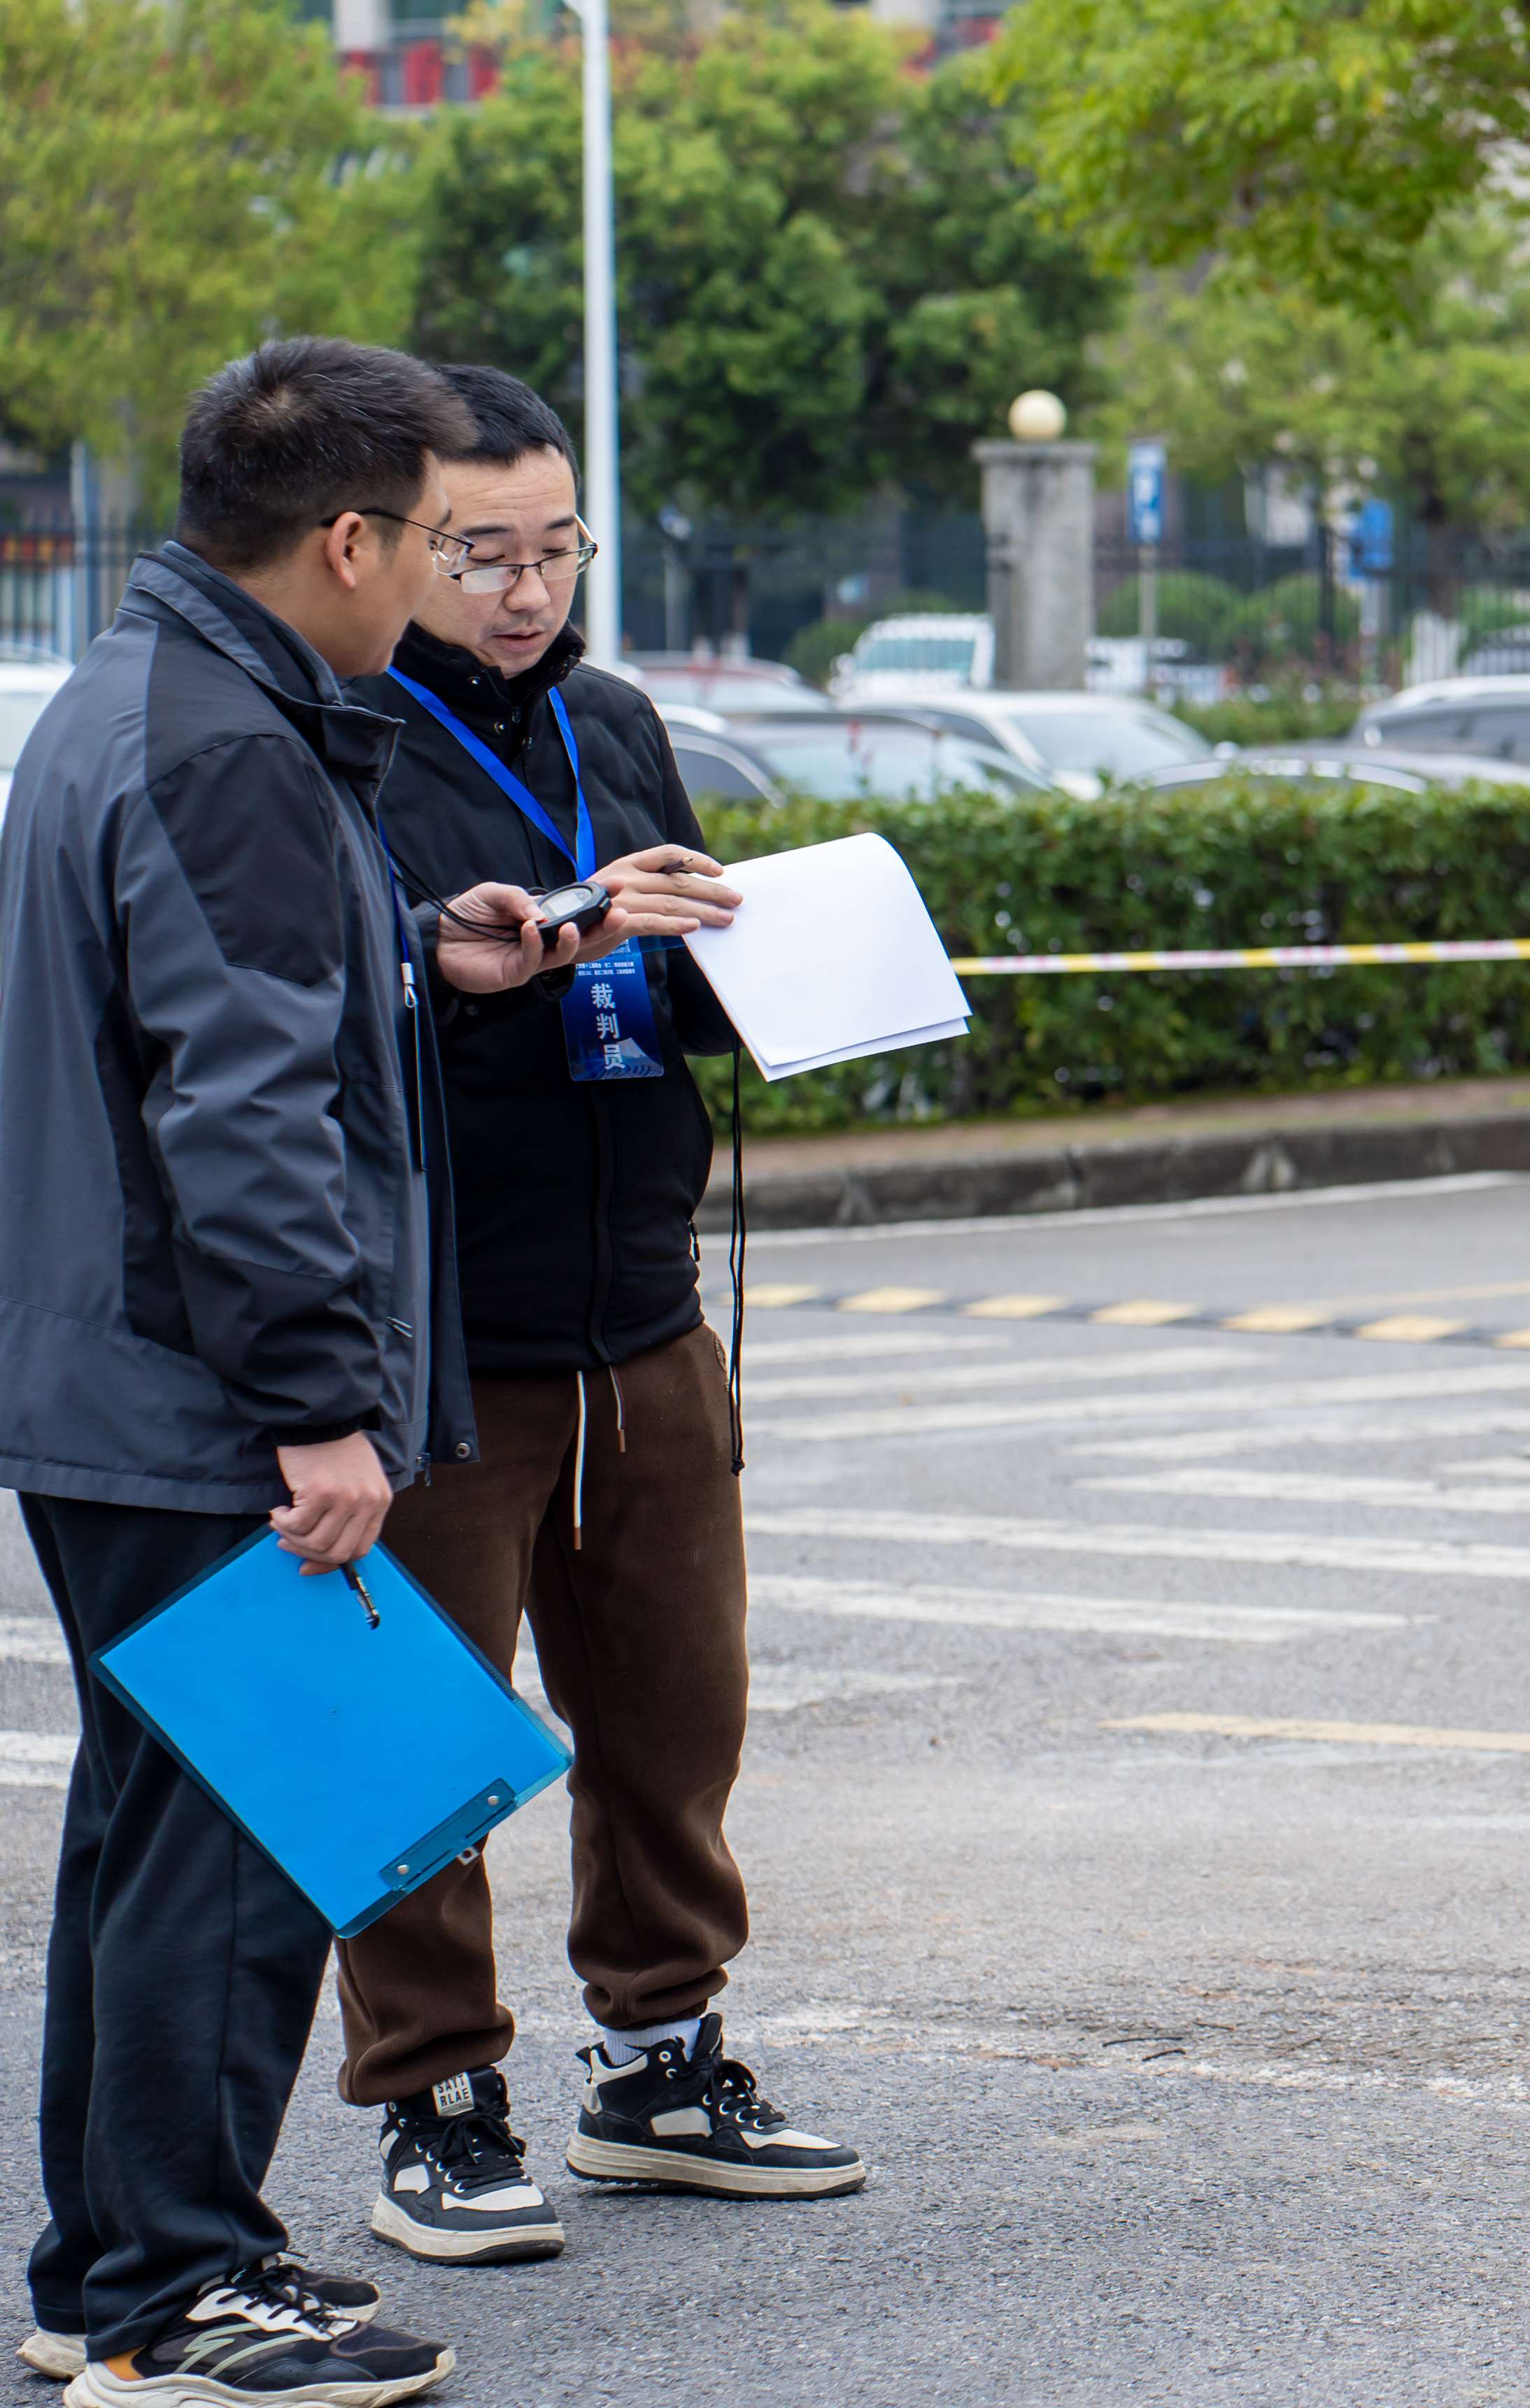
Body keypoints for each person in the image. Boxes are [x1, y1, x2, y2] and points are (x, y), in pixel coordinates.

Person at [0, 339, 590, 2407]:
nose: (447, 576)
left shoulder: (158, 697)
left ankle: (129, 2263)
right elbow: (239, 1116)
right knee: (243, 1839)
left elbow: (241, 1015)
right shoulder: (234, 743)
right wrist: (318, 1406)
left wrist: (429, 962)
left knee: (180, 1834)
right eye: (434, 538)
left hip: (135, 1384)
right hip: (202, 1401)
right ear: (345, 536)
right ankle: (166, 2291)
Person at [334, 366, 866, 2267]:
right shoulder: (332, 738)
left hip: (642, 1302)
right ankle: (433, 2096)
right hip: (435, 1321)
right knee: (406, 1734)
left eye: (555, 547)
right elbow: (311, 996)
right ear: (384, 545)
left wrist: (757, 965)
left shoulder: (618, 720)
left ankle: (659, 2056)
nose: (525, 588)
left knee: (673, 1712)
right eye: (483, 551)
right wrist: (535, 940)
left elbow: (679, 949)